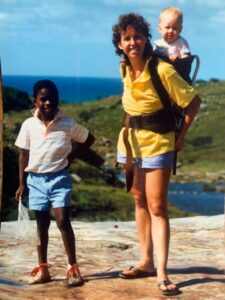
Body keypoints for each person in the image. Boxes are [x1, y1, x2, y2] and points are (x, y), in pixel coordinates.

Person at [112, 13, 201, 296]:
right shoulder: (124, 69)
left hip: (159, 144)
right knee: (138, 200)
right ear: (120, 43)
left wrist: (180, 138)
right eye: (127, 38)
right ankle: (146, 261)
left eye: (138, 36)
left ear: (147, 38)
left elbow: (193, 102)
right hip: (130, 143)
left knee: (157, 207)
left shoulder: (162, 70)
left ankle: (162, 272)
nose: (133, 42)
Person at [15, 79, 95, 286]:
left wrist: (73, 156)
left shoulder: (67, 124)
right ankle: (43, 270)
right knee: (41, 225)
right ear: (36, 101)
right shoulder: (28, 125)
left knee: (62, 221)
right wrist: (22, 183)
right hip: (36, 180)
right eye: (43, 99)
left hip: (59, 178)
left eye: (52, 99)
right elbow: (23, 154)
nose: (48, 102)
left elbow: (89, 139)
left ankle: (73, 268)